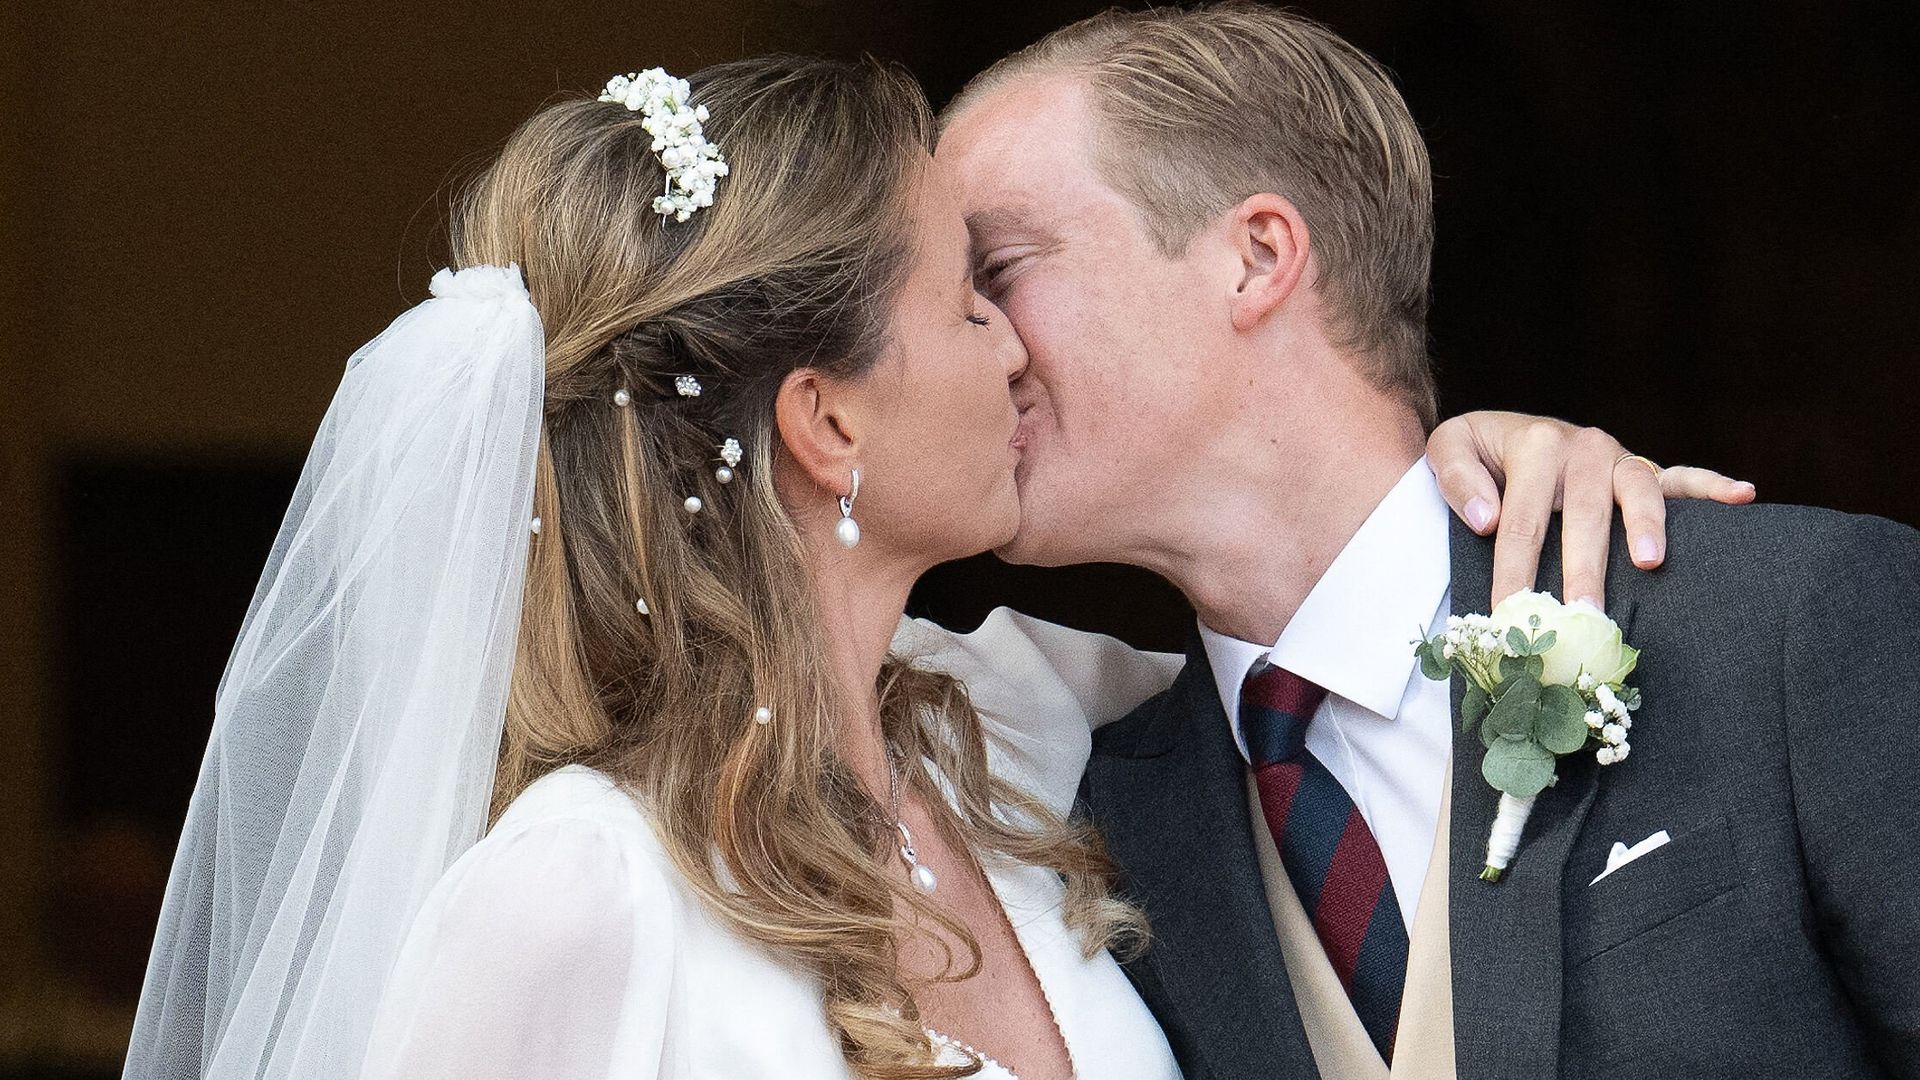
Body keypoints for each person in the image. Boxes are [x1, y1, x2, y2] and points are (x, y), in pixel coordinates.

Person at [126, 54, 1738, 1080]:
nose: (1015, 351)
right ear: (828, 423)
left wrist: (1507, 476)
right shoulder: (577, 893)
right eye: (971, 297)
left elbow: (1339, 640)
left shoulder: (1018, 739)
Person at [926, 6, 1920, 1080]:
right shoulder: (1100, 823)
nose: (973, 342)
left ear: (1256, 257)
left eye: (999, 269)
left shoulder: (1785, 624)